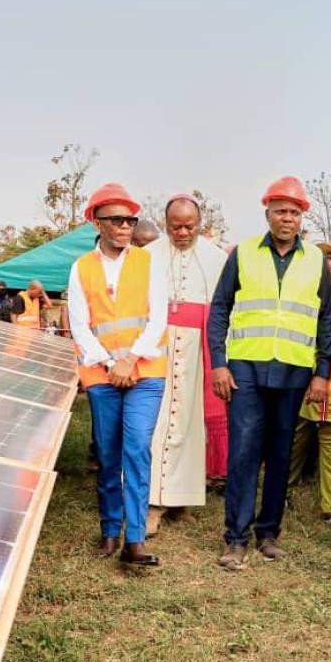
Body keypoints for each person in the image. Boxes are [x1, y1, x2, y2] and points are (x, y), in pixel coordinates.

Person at [208, 176, 331, 570]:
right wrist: (218, 363)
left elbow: (327, 320)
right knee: (244, 452)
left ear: (301, 219)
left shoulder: (315, 260)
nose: (287, 218)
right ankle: (236, 538)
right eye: (280, 210)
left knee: (280, 454)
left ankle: (269, 534)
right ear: (267, 213)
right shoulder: (242, 253)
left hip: (294, 372)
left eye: (294, 212)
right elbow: (219, 310)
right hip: (246, 368)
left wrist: (321, 372)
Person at [67, 182, 168, 567]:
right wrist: (111, 364)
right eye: (117, 220)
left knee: (137, 449)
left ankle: (136, 539)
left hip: (146, 373)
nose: (126, 227)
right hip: (102, 376)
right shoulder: (81, 268)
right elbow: (79, 326)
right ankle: (110, 531)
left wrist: (131, 360)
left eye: (130, 220)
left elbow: (158, 316)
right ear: (97, 222)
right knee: (108, 454)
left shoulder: (147, 262)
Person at [143, 193, 229, 536]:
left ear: (199, 223)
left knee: (190, 425)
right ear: (166, 225)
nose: (182, 232)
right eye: (175, 226)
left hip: (196, 351)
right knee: (160, 424)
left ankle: (181, 499)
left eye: (189, 226)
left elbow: (224, 309)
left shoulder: (216, 257)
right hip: (159, 347)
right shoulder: (147, 256)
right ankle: (153, 503)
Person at [288, 241, 331, 530]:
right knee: (294, 431)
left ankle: (329, 506)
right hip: (303, 364)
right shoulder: (305, 286)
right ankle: (283, 489)